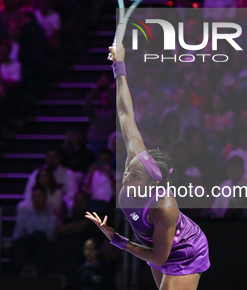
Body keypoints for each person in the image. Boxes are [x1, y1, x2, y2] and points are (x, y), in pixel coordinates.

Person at [85, 43, 210, 290]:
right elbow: (124, 113)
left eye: (135, 175)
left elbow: (159, 258)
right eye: (130, 168)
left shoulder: (164, 208)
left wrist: (116, 239)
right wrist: (118, 65)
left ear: (152, 184)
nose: (127, 175)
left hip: (183, 251)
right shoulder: (138, 157)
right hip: (154, 244)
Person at [11, 185, 58, 276]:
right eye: (34, 197)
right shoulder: (26, 216)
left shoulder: (51, 218)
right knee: (19, 248)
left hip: (44, 246)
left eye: (39, 196)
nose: (36, 200)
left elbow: (49, 237)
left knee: (39, 237)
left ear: (45, 198)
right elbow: (17, 232)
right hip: (26, 247)